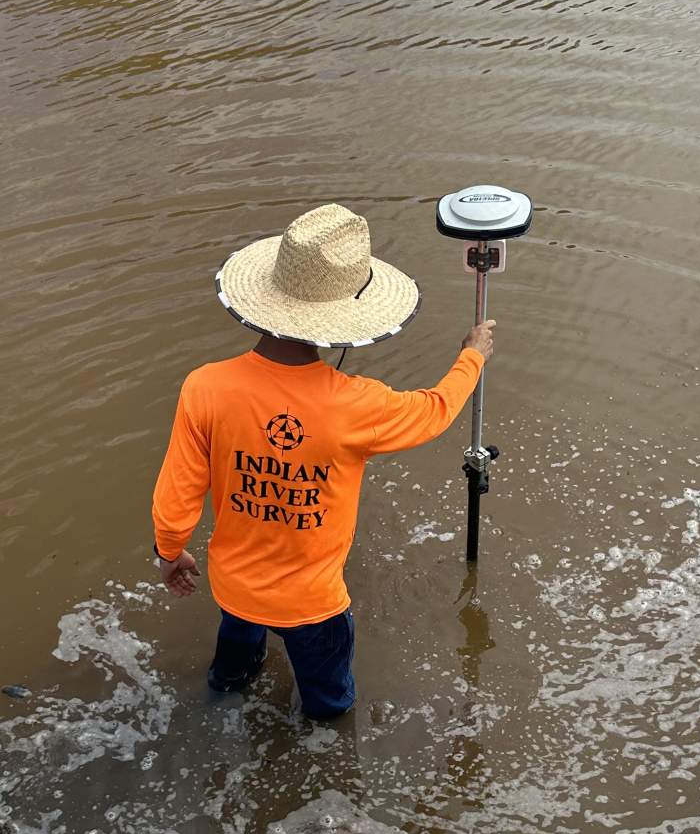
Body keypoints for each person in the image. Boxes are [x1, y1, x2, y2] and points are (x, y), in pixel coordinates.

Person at [152, 202, 495, 718]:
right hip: (313, 604)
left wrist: (170, 553)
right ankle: (328, 769)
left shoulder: (206, 387)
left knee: (230, 674)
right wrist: (472, 355)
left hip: (235, 587)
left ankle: (218, 704)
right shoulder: (357, 404)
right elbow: (436, 410)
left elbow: (177, 492)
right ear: (341, 321)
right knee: (329, 705)